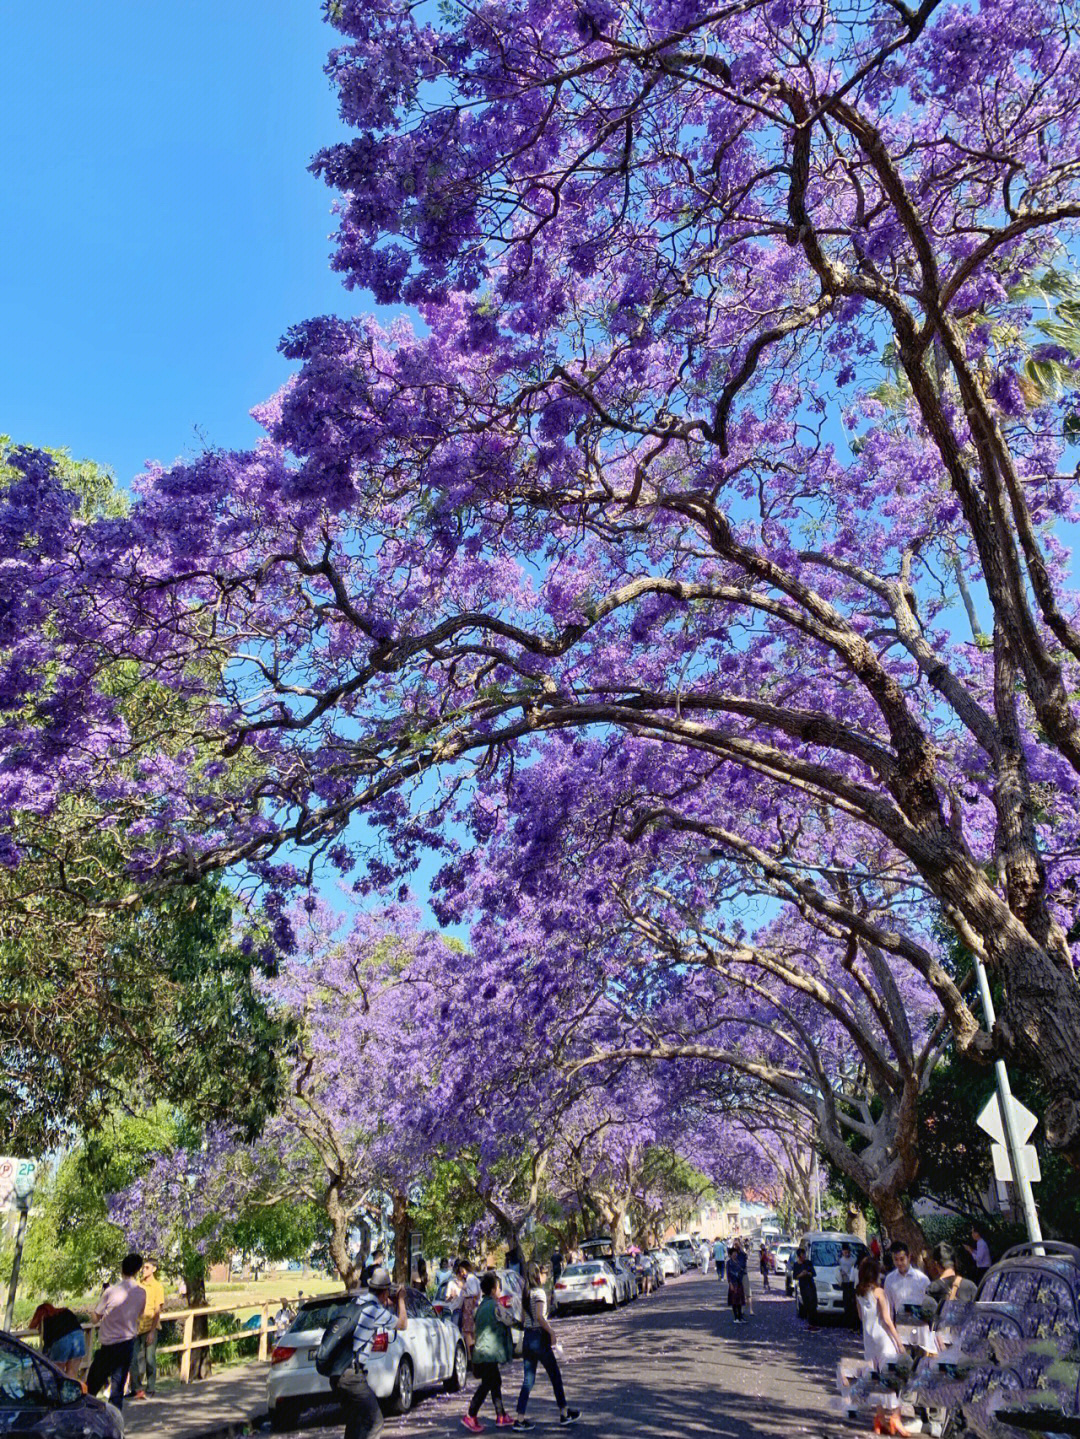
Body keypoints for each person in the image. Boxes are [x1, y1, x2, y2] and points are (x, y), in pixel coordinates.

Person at [336, 1267, 408, 1439]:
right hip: (352, 1376)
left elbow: (380, 1305)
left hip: (338, 1372)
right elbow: (403, 1324)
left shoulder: (359, 1302)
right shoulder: (376, 1311)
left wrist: (391, 1300)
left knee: (355, 1423)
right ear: (384, 1292)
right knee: (375, 1422)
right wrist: (402, 1300)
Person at [514, 1260, 579, 1431]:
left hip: (527, 1337)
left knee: (528, 1379)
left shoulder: (525, 1294)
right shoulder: (539, 1293)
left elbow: (522, 1319)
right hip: (538, 1338)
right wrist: (551, 1332)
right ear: (537, 1275)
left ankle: (519, 1418)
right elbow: (540, 1317)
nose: (546, 1276)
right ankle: (564, 1413)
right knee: (555, 1375)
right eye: (544, 1273)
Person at [856, 1256, 910, 1438]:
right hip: (883, 1339)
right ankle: (895, 1417)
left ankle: (879, 1417)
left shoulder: (858, 1292)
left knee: (875, 1378)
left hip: (868, 1340)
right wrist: (899, 1342)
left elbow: (861, 1318)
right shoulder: (879, 1292)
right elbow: (887, 1320)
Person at [86, 1252, 146, 1412]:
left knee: (91, 1386)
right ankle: (115, 1423)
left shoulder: (110, 1292)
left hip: (108, 1346)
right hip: (127, 1344)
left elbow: (94, 1318)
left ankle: (85, 1419)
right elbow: (139, 1313)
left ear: (122, 1270)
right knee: (117, 1389)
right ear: (137, 1270)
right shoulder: (141, 1293)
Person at [462, 1272, 516, 1432]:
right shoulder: (495, 1307)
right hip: (489, 1353)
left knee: (495, 1382)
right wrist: (529, 1324)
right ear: (493, 1289)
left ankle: (501, 1415)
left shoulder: (480, 1307)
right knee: (487, 1384)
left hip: (481, 1353)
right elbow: (510, 1320)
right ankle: (471, 1415)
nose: (500, 1291)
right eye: (499, 1288)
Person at [922, 1243, 977, 1350]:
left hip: (944, 1349)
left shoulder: (932, 1289)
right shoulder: (970, 1286)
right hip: (968, 1348)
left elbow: (929, 1322)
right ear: (954, 1262)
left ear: (936, 1264)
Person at [883, 1243, 933, 1357]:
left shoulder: (922, 1280)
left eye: (902, 1259)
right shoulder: (889, 1280)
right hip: (902, 1334)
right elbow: (889, 1310)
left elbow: (930, 1307)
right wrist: (892, 1335)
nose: (899, 1263)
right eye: (896, 1260)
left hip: (921, 1333)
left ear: (909, 1257)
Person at [128, 1258, 165, 1398]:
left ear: (154, 1269)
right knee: (132, 1359)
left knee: (150, 1359)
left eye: (147, 1268)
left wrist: (151, 1332)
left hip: (150, 1327)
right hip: (136, 1328)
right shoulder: (138, 1285)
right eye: (143, 1268)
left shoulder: (157, 1287)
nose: (144, 1270)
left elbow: (157, 1311)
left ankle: (151, 1388)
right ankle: (137, 1389)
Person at [28, 1303, 86, 1379]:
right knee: (72, 1373)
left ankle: (58, 1390)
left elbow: (47, 1343)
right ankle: (69, 1390)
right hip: (79, 1337)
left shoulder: (47, 1320)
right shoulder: (66, 1312)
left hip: (62, 1341)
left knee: (57, 1373)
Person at [791, 1245, 818, 1331]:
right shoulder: (796, 1265)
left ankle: (813, 1324)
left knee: (813, 1304)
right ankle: (809, 1323)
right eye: (802, 1256)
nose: (804, 1257)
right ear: (799, 1256)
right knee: (807, 1305)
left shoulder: (808, 1263)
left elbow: (813, 1273)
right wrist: (801, 1274)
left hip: (811, 1285)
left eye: (804, 1255)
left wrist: (808, 1273)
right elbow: (795, 1276)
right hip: (803, 1287)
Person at [460, 1261, 482, 1365]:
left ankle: (471, 1357)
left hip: (470, 1306)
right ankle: (473, 1356)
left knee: (468, 1332)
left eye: (462, 1270)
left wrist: (463, 1288)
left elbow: (474, 1292)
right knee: (471, 1332)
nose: (462, 1273)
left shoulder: (471, 1279)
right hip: (471, 1306)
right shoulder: (473, 1279)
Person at [726, 1240, 748, 1323]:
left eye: (736, 1253)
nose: (735, 1255)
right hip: (733, 1283)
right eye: (733, 1254)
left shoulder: (739, 1262)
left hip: (739, 1283)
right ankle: (736, 1318)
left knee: (740, 1301)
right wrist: (730, 1283)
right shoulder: (729, 1263)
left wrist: (739, 1246)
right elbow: (728, 1274)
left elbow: (744, 1255)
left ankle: (740, 1317)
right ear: (730, 1255)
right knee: (734, 1302)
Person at [839, 1243, 858, 1330]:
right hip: (845, 1282)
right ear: (842, 1252)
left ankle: (854, 1324)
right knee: (846, 1303)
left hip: (852, 1283)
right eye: (844, 1252)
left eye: (847, 1252)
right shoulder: (840, 1260)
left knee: (853, 1303)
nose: (846, 1253)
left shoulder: (853, 1260)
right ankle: (848, 1323)